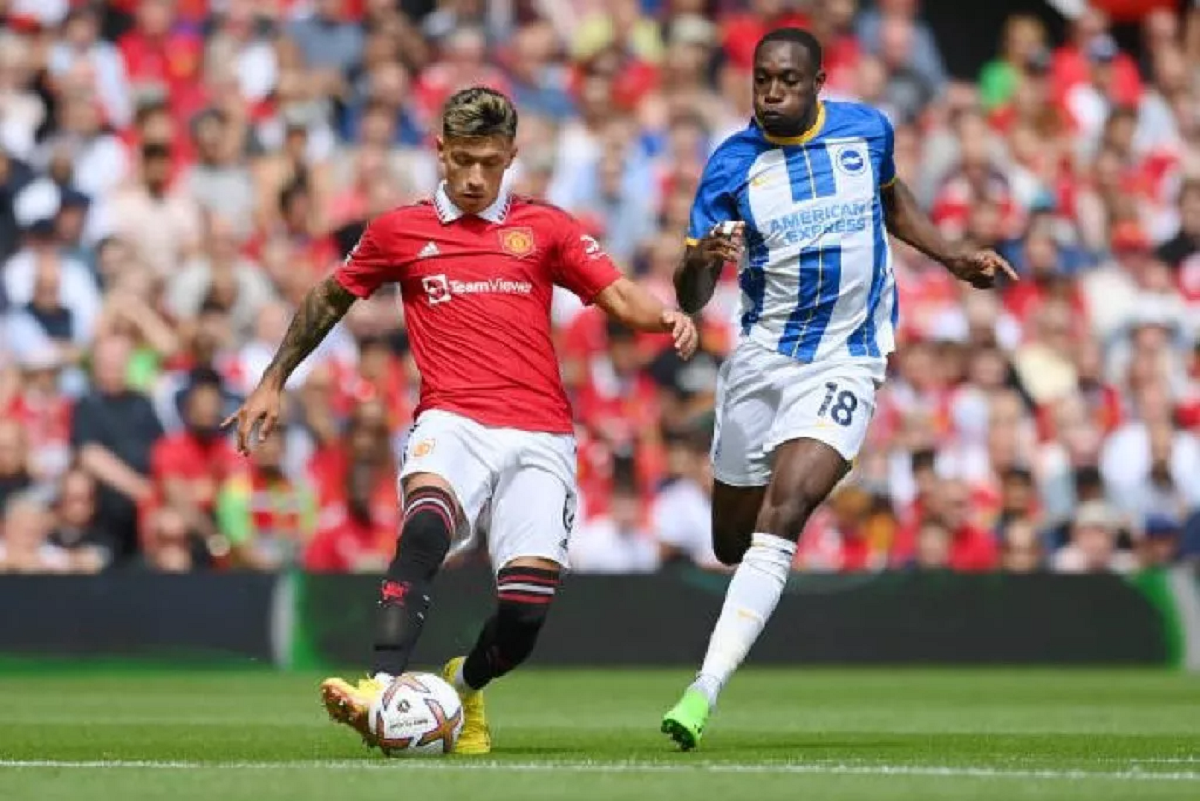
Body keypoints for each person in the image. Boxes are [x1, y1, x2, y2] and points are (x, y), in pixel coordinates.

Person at [224, 87, 698, 756]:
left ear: (512, 158)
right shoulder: (399, 230)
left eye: (492, 163)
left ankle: (465, 685)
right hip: (453, 419)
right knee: (424, 525)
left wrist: (665, 316)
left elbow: (617, 293)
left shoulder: (547, 227)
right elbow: (330, 296)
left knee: (526, 613)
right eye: (465, 160)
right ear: (439, 151)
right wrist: (273, 380)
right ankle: (378, 687)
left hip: (541, 434)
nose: (477, 177)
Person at [660, 27, 1016, 750]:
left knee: (784, 513)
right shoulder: (731, 165)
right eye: (761, 79)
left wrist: (951, 257)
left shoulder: (866, 131)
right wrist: (700, 259)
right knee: (731, 539)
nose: (771, 91)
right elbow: (692, 295)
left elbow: (892, 200)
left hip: (848, 357)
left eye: (787, 79)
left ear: (818, 81)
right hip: (762, 360)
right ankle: (746, 564)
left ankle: (703, 689)